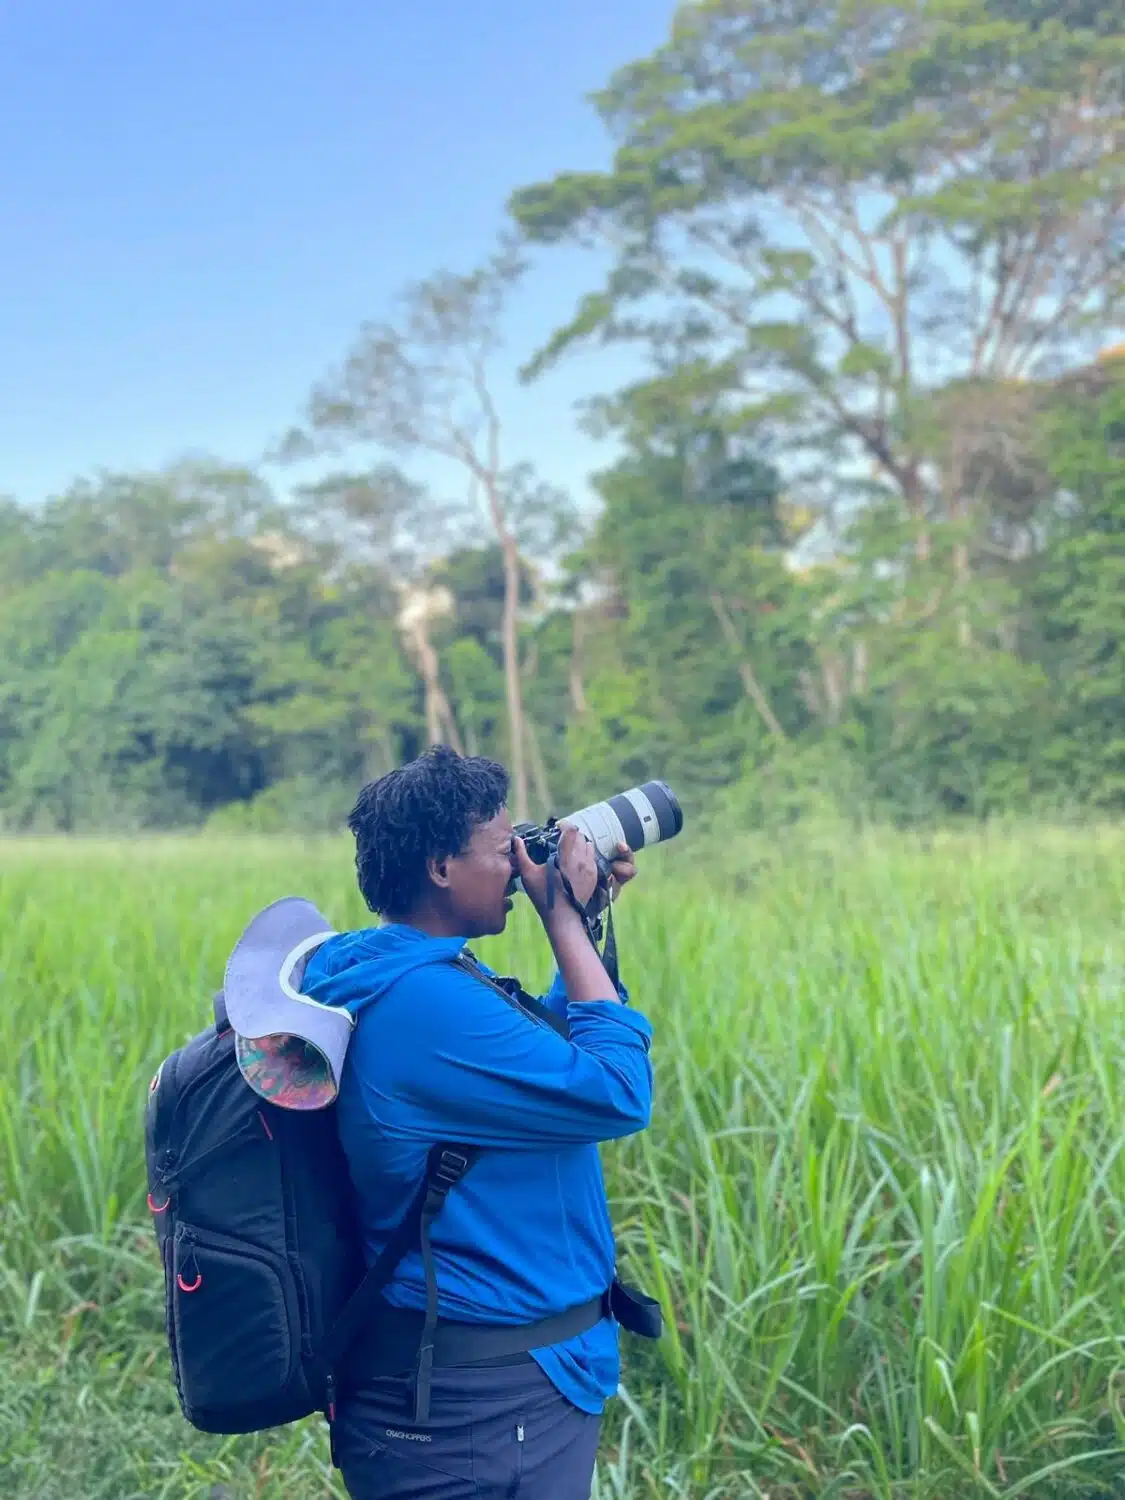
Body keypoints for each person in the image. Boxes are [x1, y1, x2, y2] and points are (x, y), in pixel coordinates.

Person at [298, 745, 655, 1500]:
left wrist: (584, 922)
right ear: (438, 868)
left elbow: (553, 1057)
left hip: (496, 1387)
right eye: (503, 850)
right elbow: (616, 1090)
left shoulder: (416, 975)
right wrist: (562, 921)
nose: (520, 867)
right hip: (482, 1409)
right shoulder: (423, 1004)